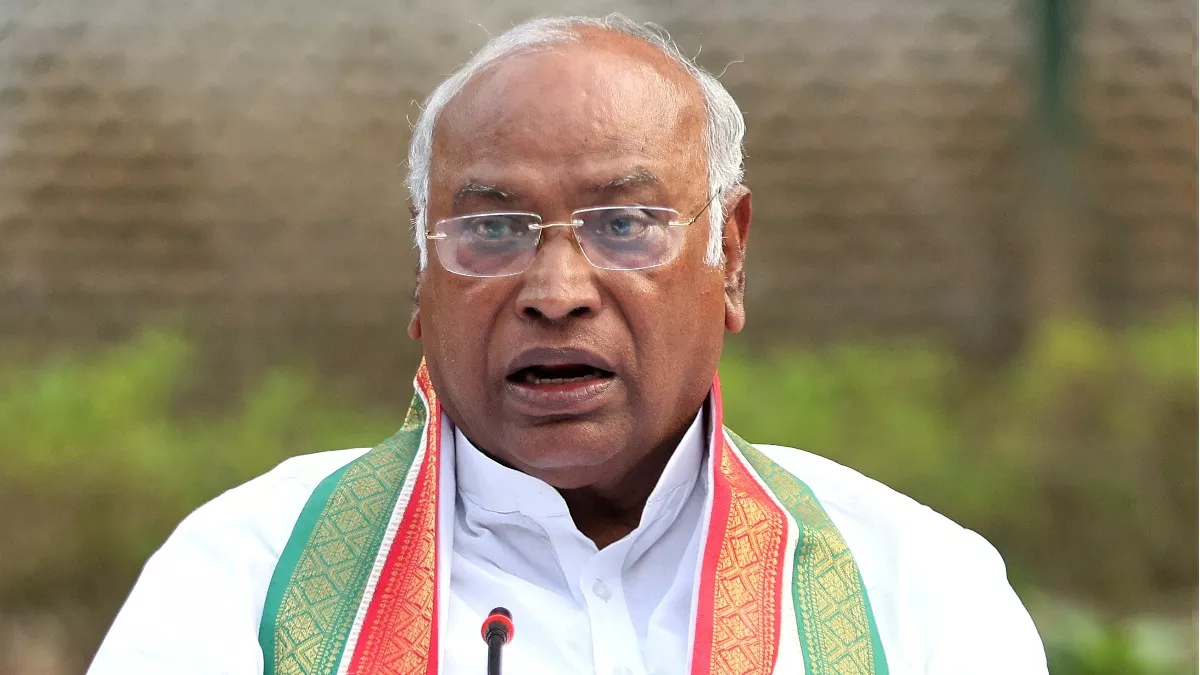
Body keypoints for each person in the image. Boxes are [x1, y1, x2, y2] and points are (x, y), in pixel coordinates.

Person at [89, 14, 1047, 675]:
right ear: (419, 276)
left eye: (625, 225)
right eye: (492, 229)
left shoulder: (908, 585)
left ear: (731, 256)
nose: (555, 293)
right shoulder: (250, 579)